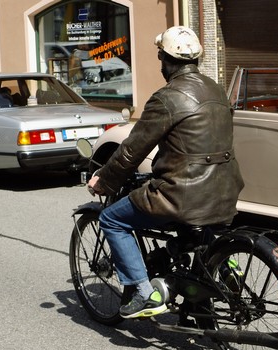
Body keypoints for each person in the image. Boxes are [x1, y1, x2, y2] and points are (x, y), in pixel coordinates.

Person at [87, 26, 244, 319]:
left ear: (166, 59)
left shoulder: (167, 97)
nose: (159, 63)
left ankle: (145, 294)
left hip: (183, 195)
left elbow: (132, 150)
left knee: (112, 219)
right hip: (225, 190)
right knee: (189, 234)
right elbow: (194, 142)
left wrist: (105, 181)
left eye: (160, 57)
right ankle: (214, 279)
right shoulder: (216, 90)